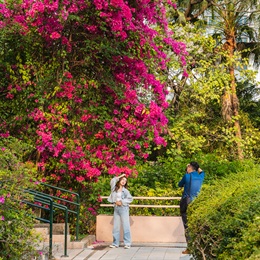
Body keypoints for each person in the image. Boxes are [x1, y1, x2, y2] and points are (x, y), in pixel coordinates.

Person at [178, 161, 205, 254]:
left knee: (187, 225)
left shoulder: (187, 176)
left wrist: (187, 171)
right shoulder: (201, 176)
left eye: (188, 167)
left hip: (186, 202)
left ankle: (189, 248)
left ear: (189, 167)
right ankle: (198, 247)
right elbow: (202, 171)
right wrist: (197, 168)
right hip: (196, 203)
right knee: (196, 225)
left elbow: (179, 184)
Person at [107, 173, 133, 249]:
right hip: (116, 209)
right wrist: (120, 176)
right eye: (122, 180)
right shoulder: (114, 188)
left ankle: (127, 243)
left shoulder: (126, 191)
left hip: (123, 208)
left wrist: (121, 202)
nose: (124, 181)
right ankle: (115, 243)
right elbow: (112, 180)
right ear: (120, 180)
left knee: (126, 226)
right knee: (116, 227)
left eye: (125, 181)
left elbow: (130, 199)